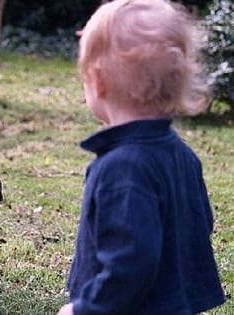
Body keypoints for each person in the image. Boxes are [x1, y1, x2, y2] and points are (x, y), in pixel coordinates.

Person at [57, 0, 226, 314]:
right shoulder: (182, 154)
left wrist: (85, 309)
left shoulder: (120, 168)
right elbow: (200, 224)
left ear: (98, 80)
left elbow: (130, 261)